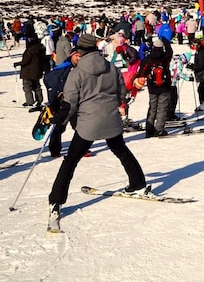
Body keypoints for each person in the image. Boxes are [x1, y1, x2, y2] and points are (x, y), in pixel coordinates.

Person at [47, 33, 146, 233]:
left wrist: (60, 120)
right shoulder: (112, 67)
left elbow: (70, 101)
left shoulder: (77, 71)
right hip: (111, 119)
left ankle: (56, 201)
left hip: (87, 124)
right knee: (120, 149)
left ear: (80, 50)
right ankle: (137, 182)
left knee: (71, 160)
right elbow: (121, 94)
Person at [43, 48, 80, 158]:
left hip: (76, 101)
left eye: (80, 56)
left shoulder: (79, 68)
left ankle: (81, 149)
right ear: (72, 55)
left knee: (80, 126)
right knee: (59, 126)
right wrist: (56, 97)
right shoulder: (65, 67)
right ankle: (54, 149)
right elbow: (50, 80)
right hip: (63, 102)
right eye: (76, 55)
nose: (79, 58)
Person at [136, 38, 173, 137]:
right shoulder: (165, 58)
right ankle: (159, 129)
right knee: (162, 108)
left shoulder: (148, 58)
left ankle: (149, 129)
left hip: (152, 87)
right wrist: (165, 41)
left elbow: (142, 72)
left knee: (152, 107)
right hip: (164, 86)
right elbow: (170, 51)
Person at [16, 35, 47, 111]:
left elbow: (26, 60)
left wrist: (18, 63)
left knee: (27, 87)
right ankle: (39, 100)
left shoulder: (30, 49)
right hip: (37, 71)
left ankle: (30, 101)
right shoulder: (41, 48)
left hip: (28, 71)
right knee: (36, 86)